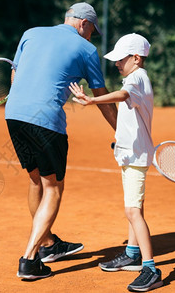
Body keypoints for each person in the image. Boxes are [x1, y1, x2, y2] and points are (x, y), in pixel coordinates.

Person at [5, 2, 118, 280]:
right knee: (53, 187)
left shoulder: (31, 33)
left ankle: (47, 244)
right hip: (47, 123)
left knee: (35, 180)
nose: (92, 37)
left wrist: (21, 100)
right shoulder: (87, 49)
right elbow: (100, 94)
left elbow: (15, 73)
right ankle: (29, 259)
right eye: (92, 31)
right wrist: (120, 130)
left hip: (13, 114)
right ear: (84, 24)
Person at [69, 33, 163, 291]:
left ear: (136, 58)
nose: (116, 63)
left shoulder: (137, 78)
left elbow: (122, 96)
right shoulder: (132, 77)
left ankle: (151, 269)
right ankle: (133, 254)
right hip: (128, 153)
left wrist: (92, 100)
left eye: (120, 59)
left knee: (132, 211)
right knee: (136, 208)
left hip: (136, 156)